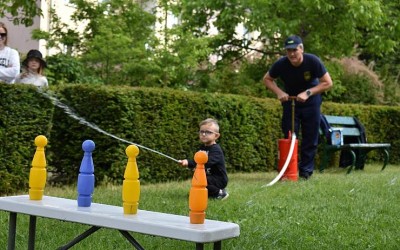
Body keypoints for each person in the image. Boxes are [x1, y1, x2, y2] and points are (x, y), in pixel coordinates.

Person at [263, 35, 333, 180]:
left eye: (294, 50)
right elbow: (267, 79)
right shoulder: (281, 64)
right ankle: (289, 170)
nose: (292, 54)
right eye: (289, 50)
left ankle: (306, 171)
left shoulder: (312, 61)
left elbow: (327, 83)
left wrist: (308, 93)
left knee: (310, 137)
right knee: (290, 135)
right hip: (290, 101)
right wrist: (279, 92)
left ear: (301, 49)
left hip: (311, 102)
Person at [178, 118, 229, 200]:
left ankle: (220, 193)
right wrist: (187, 162)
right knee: (198, 181)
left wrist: (195, 166)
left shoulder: (216, 150)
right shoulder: (202, 148)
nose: (204, 134)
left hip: (219, 179)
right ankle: (207, 194)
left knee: (200, 180)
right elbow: (196, 161)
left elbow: (207, 162)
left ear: (216, 136)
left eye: (208, 132)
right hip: (208, 177)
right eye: (202, 131)